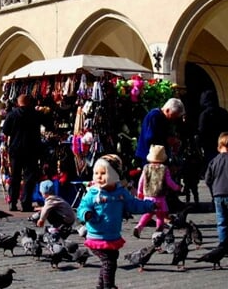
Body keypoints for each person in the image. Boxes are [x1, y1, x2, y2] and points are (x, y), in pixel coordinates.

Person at [77, 154, 155, 289]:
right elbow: (82, 207)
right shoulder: (93, 193)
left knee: (111, 260)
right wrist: (86, 214)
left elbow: (133, 204)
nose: (99, 177)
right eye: (96, 173)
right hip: (97, 235)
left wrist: (149, 205)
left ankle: (101, 286)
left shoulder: (121, 192)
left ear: (114, 176)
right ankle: (108, 286)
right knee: (109, 262)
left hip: (112, 235)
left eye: (103, 173)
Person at [2, 94, 51, 212]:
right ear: (29, 103)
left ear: (18, 103)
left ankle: (12, 202)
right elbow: (49, 124)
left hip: (16, 149)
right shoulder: (35, 114)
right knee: (29, 178)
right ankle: (26, 203)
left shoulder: (12, 115)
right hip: (32, 150)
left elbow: (5, 131)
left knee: (15, 177)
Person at [133, 145, 181, 238]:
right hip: (159, 196)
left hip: (148, 195)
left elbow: (141, 181)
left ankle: (139, 226)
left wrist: (140, 192)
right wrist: (176, 187)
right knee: (160, 215)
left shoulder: (146, 168)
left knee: (148, 213)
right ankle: (158, 231)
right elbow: (169, 181)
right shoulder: (164, 169)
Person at [136, 97, 185, 165]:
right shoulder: (154, 116)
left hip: (159, 157)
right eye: (173, 115)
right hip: (149, 157)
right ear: (167, 110)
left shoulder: (166, 119)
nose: (174, 119)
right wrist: (167, 140)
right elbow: (150, 137)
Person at [197, 90, 228, 166]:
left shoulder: (205, 114)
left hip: (209, 145)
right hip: (222, 143)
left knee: (211, 165)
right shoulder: (224, 112)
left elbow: (201, 130)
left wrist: (200, 143)